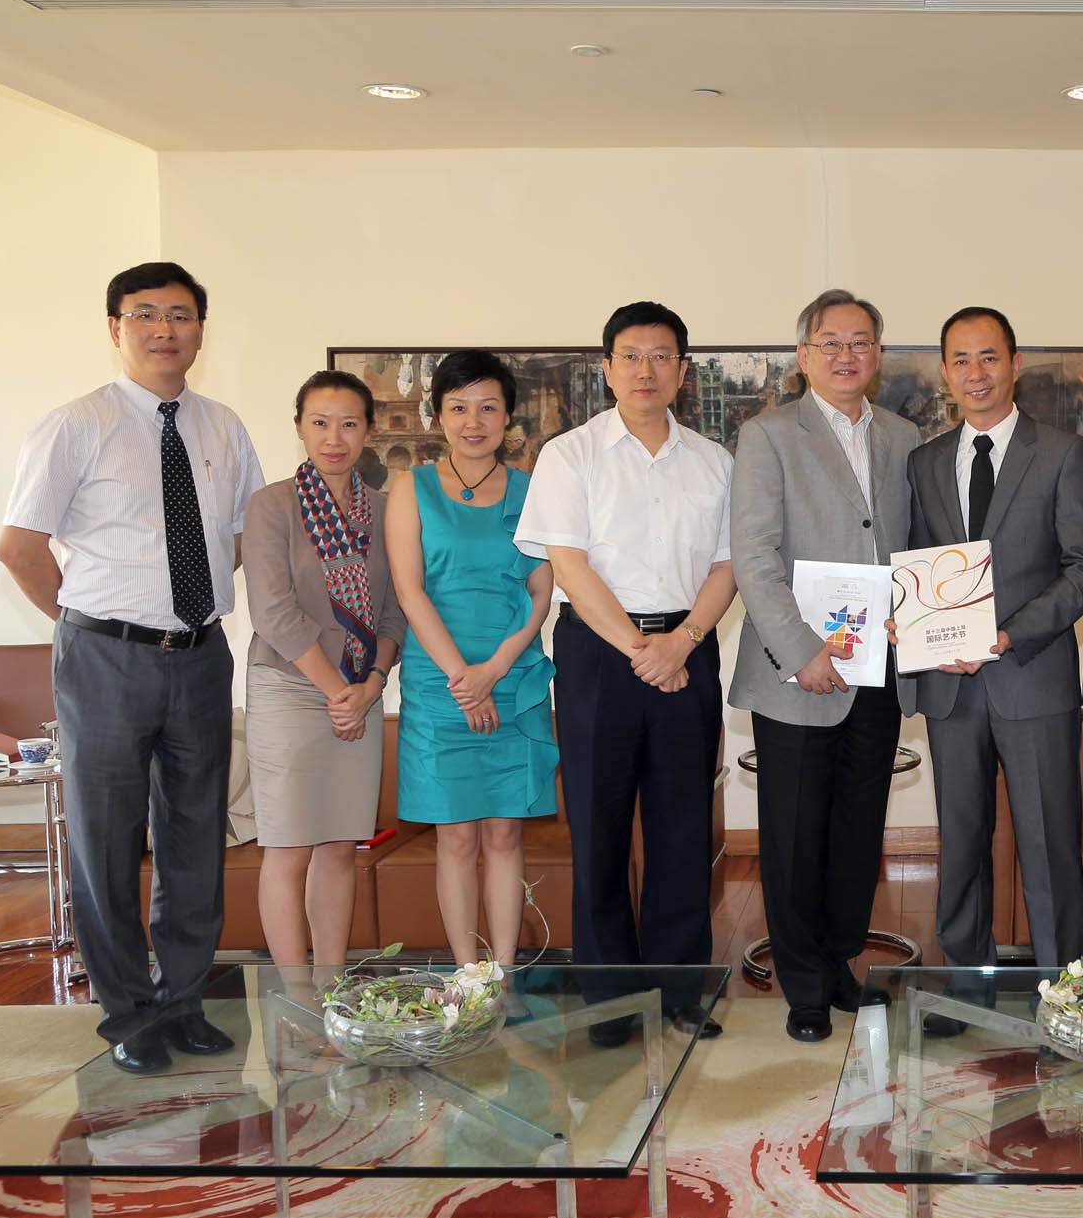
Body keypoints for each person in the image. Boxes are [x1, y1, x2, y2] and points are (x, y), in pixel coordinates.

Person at [0, 261, 265, 1075]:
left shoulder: (223, 427)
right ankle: (126, 1013)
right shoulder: (76, 424)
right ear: (115, 328)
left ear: (200, 330)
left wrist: (181, 609)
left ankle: (183, 1001)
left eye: (180, 314)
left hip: (200, 654)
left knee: (195, 837)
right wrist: (89, 623)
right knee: (106, 841)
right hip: (104, 658)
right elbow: (19, 546)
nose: (164, 329)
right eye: (145, 314)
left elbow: (239, 537)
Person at [515, 301, 736, 1042]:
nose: (646, 370)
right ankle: (608, 998)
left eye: (662, 356)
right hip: (598, 656)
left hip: (688, 647)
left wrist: (684, 640)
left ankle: (679, 992)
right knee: (598, 828)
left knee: (683, 828)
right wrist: (646, 651)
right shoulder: (569, 455)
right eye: (631, 356)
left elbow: (728, 565)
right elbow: (569, 567)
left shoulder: (714, 462)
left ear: (683, 370)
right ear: (607, 368)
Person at [729, 289, 918, 1043]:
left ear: (877, 354)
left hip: (878, 667)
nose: (847, 354)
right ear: (804, 355)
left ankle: (839, 963)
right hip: (797, 673)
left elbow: (913, 548)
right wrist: (800, 648)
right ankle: (802, 985)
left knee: (856, 832)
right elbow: (754, 555)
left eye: (861, 341)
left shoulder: (903, 435)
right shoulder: (768, 435)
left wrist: (919, 615)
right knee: (795, 835)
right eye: (831, 342)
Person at [897, 306, 1083, 973]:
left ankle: (1066, 988)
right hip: (949, 688)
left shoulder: (1063, 453)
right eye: (961, 360)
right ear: (945, 373)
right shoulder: (926, 462)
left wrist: (1009, 635)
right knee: (961, 845)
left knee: (1048, 847)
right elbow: (918, 564)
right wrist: (910, 622)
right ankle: (966, 985)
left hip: (1031, 677)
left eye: (989, 357)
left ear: (1014, 365)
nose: (976, 372)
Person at [386, 349, 559, 967]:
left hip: (513, 677)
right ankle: (467, 977)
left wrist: (494, 671)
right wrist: (464, 679)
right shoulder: (411, 489)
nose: (473, 421)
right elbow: (409, 592)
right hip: (441, 684)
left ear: (508, 416)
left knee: (505, 833)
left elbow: (541, 592)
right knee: (456, 836)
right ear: (438, 416)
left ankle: (504, 975)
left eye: (488, 408)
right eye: (458, 408)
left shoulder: (534, 492)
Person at [243, 370, 407, 974]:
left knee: (340, 846)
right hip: (290, 688)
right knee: (288, 848)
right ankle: (295, 999)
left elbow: (394, 611)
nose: (334, 438)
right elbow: (273, 612)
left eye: (348, 424)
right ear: (299, 428)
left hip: (362, 690)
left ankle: (332, 988)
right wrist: (341, 693)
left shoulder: (385, 511)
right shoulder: (272, 505)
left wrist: (372, 685)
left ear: (368, 430)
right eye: (319, 423)